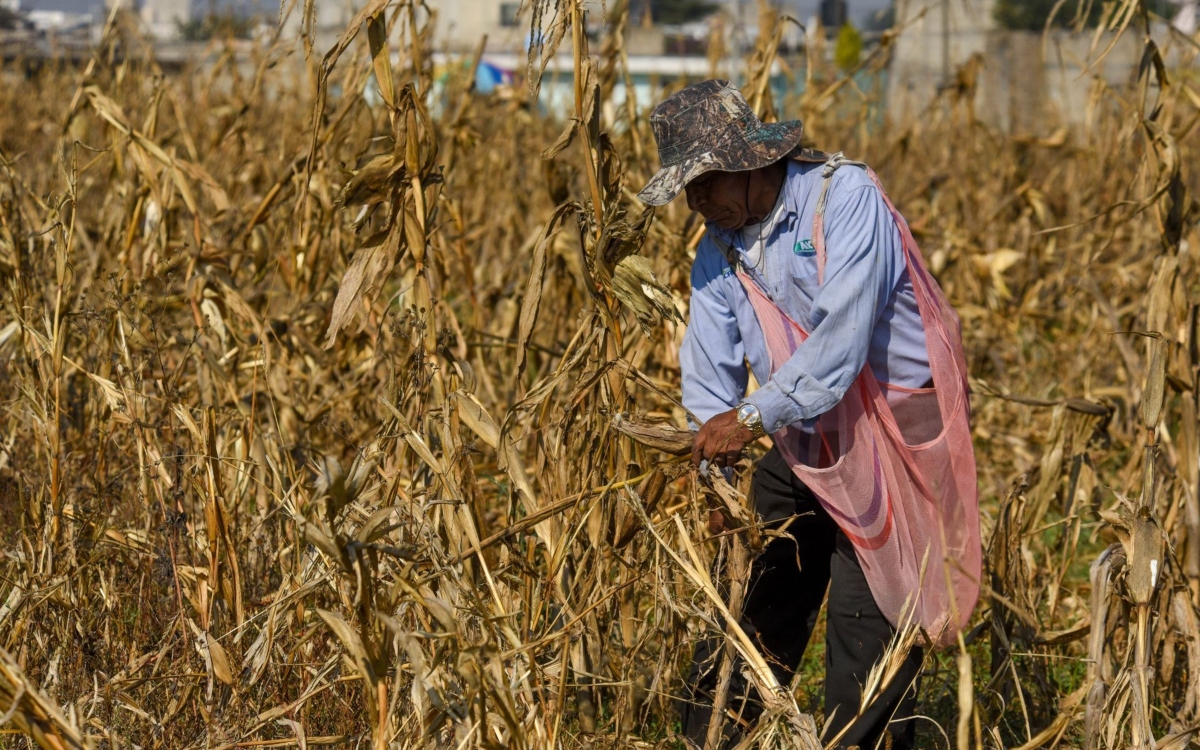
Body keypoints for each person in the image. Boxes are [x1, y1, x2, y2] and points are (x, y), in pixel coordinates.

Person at [637, 79, 939, 749]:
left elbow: (841, 342)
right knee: (754, 595)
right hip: (807, 435)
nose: (695, 200)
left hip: (889, 438)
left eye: (705, 181)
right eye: (687, 186)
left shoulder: (846, 200)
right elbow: (709, 366)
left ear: (751, 164)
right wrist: (721, 472)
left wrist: (746, 422)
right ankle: (710, 738)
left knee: (869, 627)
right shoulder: (718, 247)